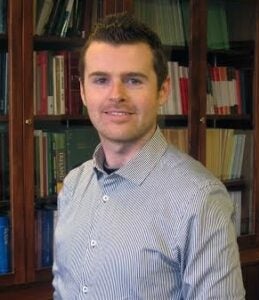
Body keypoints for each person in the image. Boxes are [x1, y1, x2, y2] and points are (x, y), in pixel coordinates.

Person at [52, 12, 245, 299]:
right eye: (100, 80)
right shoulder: (73, 186)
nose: (115, 95)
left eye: (133, 80)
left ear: (163, 90)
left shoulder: (200, 200)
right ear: (82, 91)